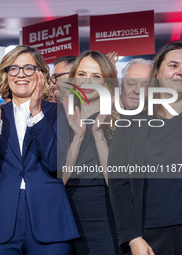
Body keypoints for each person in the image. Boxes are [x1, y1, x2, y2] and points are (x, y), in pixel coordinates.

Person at [0, 45, 79, 255]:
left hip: (50, 220)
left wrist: (36, 113)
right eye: (14, 69)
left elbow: (56, 164)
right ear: (6, 75)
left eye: (29, 68)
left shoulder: (59, 112)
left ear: (41, 74)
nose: (21, 74)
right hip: (0, 220)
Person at [109, 41, 182, 255]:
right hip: (149, 236)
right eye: (173, 65)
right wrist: (133, 237)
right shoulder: (130, 124)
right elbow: (119, 186)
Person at [61, 50, 120, 254]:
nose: (88, 81)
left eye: (96, 76)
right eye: (82, 74)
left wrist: (98, 134)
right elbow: (56, 181)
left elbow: (114, 182)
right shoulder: (58, 118)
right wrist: (77, 137)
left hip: (104, 216)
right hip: (63, 214)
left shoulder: (121, 121)